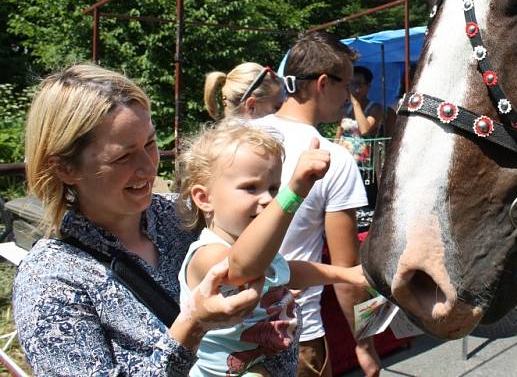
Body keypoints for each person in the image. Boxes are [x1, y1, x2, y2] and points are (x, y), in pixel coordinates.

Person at [14, 64, 263, 375]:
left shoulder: (187, 217)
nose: (148, 168)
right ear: (65, 168)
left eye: (150, 144)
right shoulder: (50, 281)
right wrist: (192, 326)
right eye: (123, 156)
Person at [175, 119, 368, 376]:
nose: (267, 199)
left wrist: (347, 274)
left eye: (274, 188)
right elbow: (242, 266)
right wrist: (293, 193)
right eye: (250, 188)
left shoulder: (260, 253)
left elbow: (290, 270)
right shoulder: (206, 254)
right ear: (204, 198)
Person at [252, 32, 380, 377]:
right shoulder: (333, 159)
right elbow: (347, 271)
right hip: (296, 334)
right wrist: (364, 344)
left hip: (234, 331)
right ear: (323, 83)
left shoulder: (242, 137)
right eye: (347, 86)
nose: (348, 96)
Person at [336, 65, 383, 165]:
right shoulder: (345, 107)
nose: (354, 88)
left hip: (363, 162)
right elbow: (338, 134)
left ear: (368, 86)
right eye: (351, 83)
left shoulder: (375, 108)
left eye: (358, 84)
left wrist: (355, 103)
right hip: (342, 158)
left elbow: (364, 130)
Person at [204, 62, 283, 120]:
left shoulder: (220, 140)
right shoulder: (256, 141)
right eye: (277, 108)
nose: (283, 111)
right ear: (251, 107)